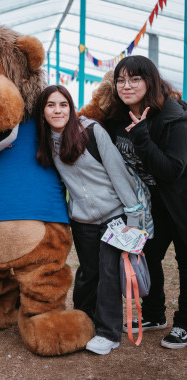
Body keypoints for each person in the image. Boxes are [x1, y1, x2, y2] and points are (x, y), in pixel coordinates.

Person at [35, 85, 144, 355]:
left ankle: (109, 333)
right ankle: (83, 321)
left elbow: (118, 172)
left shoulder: (92, 131)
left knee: (108, 272)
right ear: (43, 110)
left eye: (63, 104)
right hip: (82, 219)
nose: (57, 110)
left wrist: (133, 215)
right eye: (50, 105)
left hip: (114, 215)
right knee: (88, 273)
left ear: (71, 108)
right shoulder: (45, 140)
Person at [105, 55, 187, 349]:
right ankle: (154, 314)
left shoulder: (173, 117)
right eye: (121, 80)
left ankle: (184, 324)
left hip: (179, 202)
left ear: (149, 82)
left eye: (135, 79)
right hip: (150, 206)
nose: (126, 86)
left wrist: (141, 136)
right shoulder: (118, 116)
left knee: (184, 262)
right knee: (148, 256)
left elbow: (171, 170)